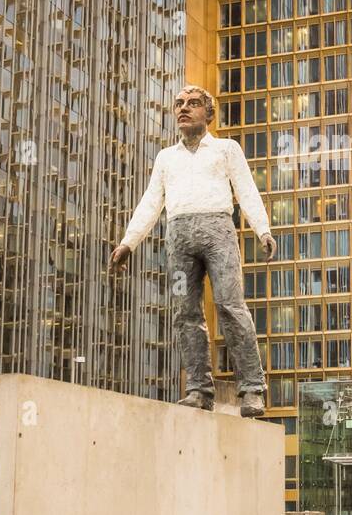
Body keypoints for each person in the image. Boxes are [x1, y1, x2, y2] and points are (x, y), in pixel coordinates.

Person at [112, 86, 275, 417]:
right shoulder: (165, 158)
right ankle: (199, 390)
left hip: (219, 236)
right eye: (179, 104)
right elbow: (151, 201)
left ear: (209, 114)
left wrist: (263, 229)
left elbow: (246, 190)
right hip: (179, 242)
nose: (184, 109)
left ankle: (253, 388)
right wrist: (129, 241)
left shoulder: (226, 150)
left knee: (231, 305)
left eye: (193, 103)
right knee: (185, 314)